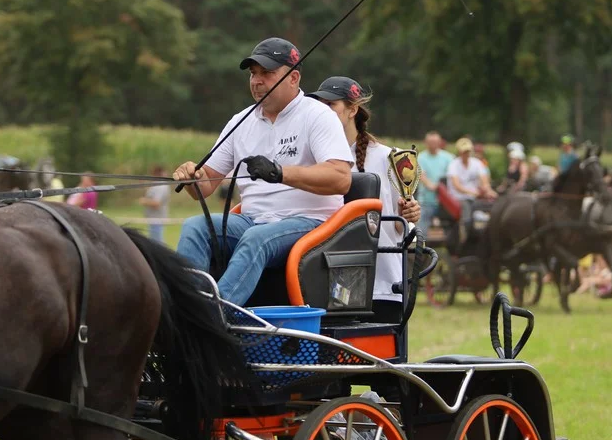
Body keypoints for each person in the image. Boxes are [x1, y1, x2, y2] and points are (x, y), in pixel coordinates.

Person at [172, 37, 353, 306]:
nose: (257, 81)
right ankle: (188, 307)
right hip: (253, 220)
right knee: (195, 227)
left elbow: (340, 179)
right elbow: (206, 186)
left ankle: (213, 315)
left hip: (311, 223)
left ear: (293, 78)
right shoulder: (240, 121)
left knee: (255, 239)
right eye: (253, 74)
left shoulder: (317, 115)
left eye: (267, 73)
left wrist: (280, 173)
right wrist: (191, 176)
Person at [307, 76, 421, 312]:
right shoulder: (312, 158)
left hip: (381, 280)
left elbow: (398, 227)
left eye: (331, 105)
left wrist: (409, 213)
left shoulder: (390, 158)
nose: (323, 111)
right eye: (319, 105)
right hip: (326, 276)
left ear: (353, 110)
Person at [417, 131, 453, 236]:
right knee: (422, 228)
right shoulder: (421, 158)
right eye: (430, 142)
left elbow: (451, 176)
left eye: (435, 142)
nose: (433, 144)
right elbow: (421, 176)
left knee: (451, 227)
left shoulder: (448, 158)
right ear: (426, 142)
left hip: (445, 201)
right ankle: (421, 249)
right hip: (427, 200)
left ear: (440, 142)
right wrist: (433, 186)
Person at [139, 164, 172, 243]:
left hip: (157, 218)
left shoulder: (161, 185)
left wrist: (144, 201)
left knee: (157, 242)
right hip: (153, 218)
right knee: (155, 241)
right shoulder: (157, 185)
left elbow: (157, 203)